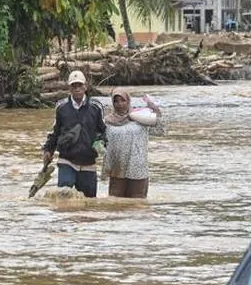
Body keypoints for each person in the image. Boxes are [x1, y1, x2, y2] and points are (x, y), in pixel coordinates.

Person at [41, 70, 107, 198]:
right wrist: (48, 150)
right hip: (67, 160)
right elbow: (55, 131)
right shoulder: (61, 107)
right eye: (73, 86)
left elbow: (104, 130)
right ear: (69, 88)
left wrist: (101, 144)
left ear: (85, 87)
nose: (77, 89)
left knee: (89, 202)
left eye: (79, 85)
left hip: (88, 162)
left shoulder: (96, 107)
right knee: (64, 196)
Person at [101, 87, 162, 198]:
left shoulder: (141, 118)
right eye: (116, 101)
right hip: (117, 168)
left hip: (137, 169)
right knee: (115, 203)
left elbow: (160, 130)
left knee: (137, 204)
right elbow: (100, 143)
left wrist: (156, 110)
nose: (119, 104)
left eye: (123, 100)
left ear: (128, 101)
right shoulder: (107, 121)